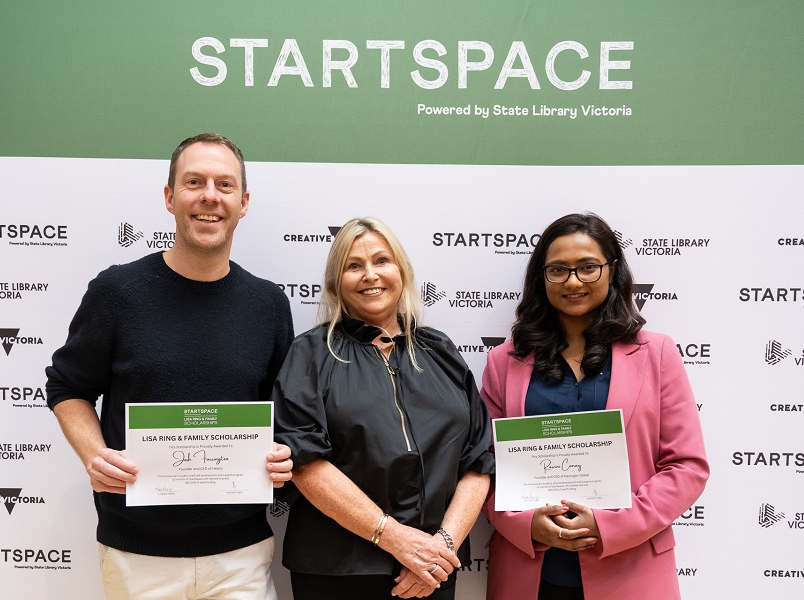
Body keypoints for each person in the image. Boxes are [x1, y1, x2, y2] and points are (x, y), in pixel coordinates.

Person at [45, 133, 295, 600]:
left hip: (239, 555)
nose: (209, 197)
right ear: (169, 197)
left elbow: (285, 414)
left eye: (224, 185)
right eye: (193, 182)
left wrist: (284, 454)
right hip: (136, 556)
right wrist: (94, 454)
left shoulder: (269, 304)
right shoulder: (117, 292)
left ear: (243, 203)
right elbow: (66, 387)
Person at [482, 213, 709, 600]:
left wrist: (612, 524)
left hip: (631, 569)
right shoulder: (504, 362)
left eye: (588, 267)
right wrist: (526, 523)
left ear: (612, 270)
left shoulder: (656, 354)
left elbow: (687, 467)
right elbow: (484, 466)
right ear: (541, 277)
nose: (573, 281)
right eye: (558, 270)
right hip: (529, 572)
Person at [273, 217, 494, 599]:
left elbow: (478, 460)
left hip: (433, 572)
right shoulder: (309, 354)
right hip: (337, 573)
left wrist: (440, 547)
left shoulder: (440, 351)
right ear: (334, 283)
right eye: (353, 266)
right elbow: (304, 462)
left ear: (402, 272)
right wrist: (397, 540)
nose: (370, 275)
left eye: (382, 261)